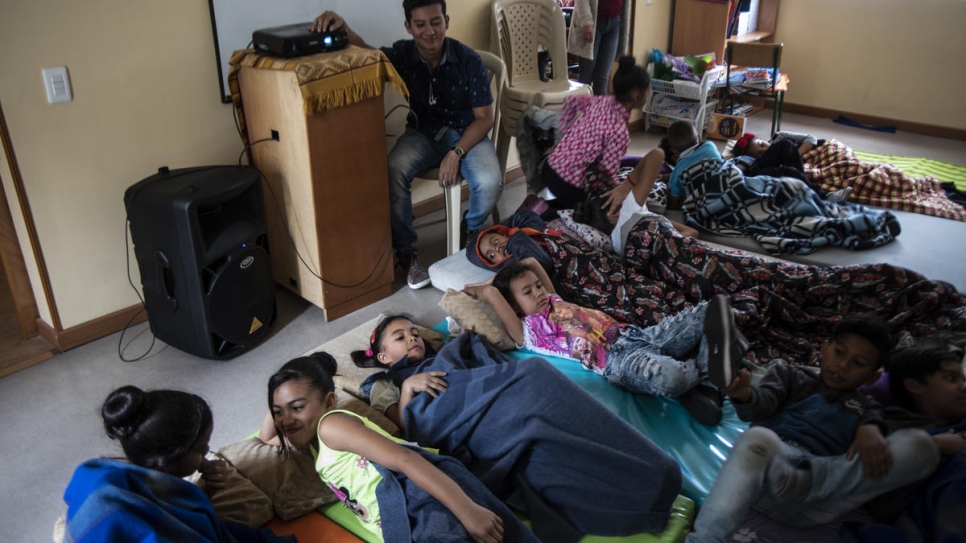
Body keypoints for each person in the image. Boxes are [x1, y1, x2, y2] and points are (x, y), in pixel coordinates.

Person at [349, 314, 684, 541]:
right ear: (383, 358)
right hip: (456, 425)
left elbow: (476, 360)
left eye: (414, 332)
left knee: (538, 387)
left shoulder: (445, 354)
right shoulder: (385, 384)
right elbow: (408, 431)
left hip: (488, 395)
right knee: (535, 403)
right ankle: (644, 487)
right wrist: (409, 388)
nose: (412, 338)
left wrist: (463, 346)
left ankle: (652, 472)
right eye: (400, 337)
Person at [685, 316, 941, 543]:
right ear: (824, 348)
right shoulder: (790, 375)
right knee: (757, 437)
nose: (843, 365)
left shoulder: (868, 408)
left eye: (858, 363)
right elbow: (760, 406)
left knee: (921, 448)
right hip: (765, 480)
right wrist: (744, 395)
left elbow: (878, 430)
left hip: (817, 499)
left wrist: (871, 430)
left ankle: (806, 477)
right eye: (839, 352)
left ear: (872, 377)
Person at [311, 0, 503, 289]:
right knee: (392, 169)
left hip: (466, 133)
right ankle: (407, 254)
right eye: (421, 24)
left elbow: (485, 118)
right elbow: (368, 54)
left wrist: (457, 152)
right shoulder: (402, 54)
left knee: (490, 181)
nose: (430, 31)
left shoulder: (467, 59)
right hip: (423, 133)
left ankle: (472, 232)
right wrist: (344, 26)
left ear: (446, 21)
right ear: (409, 27)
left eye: (436, 22)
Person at [263, 352, 538, 543]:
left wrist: (469, 511)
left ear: (328, 401)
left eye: (297, 407)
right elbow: (266, 437)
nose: (285, 420)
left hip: (417, 494)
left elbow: (405, 459)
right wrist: (281, 390)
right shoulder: (308, 439)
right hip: (404, 515)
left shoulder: (330, 426)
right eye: (278, 412)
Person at [465, 257, 745, 425]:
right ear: (514, 307)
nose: (539, 292)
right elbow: (492, 295)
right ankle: (704, 376)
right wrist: (484, 289)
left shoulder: (555, 300)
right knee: (674, 378)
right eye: (528, 292)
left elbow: (529, 264)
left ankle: (706, 385)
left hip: (636, 335)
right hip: (619, 362)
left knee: (715, 308)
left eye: (538, 286)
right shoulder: (530, 332)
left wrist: (516, 279)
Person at [62, 386, 291, 543]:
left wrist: (205, 490)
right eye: (201, 448)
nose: (206, 454)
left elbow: (169, 511)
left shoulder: (121, 474)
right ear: (168, 460)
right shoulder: (117, 508)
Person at [846, 345, 966, 542]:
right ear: (915, 386)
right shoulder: (890, 429)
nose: (964, 386)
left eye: (963, 379)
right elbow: (882, 504)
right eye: (951, 379)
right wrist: (934, 446)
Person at [541, 55, 651, 211]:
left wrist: (563, 138)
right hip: (568, 184)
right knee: (598, 210)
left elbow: (570, 102)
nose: (648, 95)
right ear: (636, 94)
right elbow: (606, 174)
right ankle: (553, 213)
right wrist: (622, 194)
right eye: (648, 90)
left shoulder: (600, 101)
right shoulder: (619, 132)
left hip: (550, 168)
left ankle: (549, 207)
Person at [732, 131, 852, 203]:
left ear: (763, 139)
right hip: (755, 173)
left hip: (787, 164)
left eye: (762, 144)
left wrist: (794, 155)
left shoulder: (778, 137)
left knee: (789, 165)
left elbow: (812, 139)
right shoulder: (754, 161)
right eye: (760, 153)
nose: (765, 149)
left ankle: (822, 195)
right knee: (787, 156)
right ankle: (824, 195)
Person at [569, 0, 632, 96]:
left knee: (602, 79)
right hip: (593, 22)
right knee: (586, 78)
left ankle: (599, 110)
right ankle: (581, 110)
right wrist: (586, 22)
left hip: (614, 23)